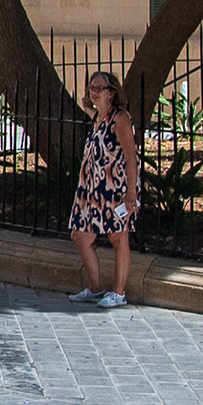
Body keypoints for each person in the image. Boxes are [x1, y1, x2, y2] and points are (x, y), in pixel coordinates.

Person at [69, 69, 140, 308]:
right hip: (91, 191)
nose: (94, 92)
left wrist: (131, 194)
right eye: (92, 87)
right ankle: (96, 289)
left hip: (115, 189)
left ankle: (118, 292)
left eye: (100, 88)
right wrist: (89, 106)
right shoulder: (99, 118)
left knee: (118, 238)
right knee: (80, 235)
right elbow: (89, 109)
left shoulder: (120, 118)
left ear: (112, 93)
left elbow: (131, 157)